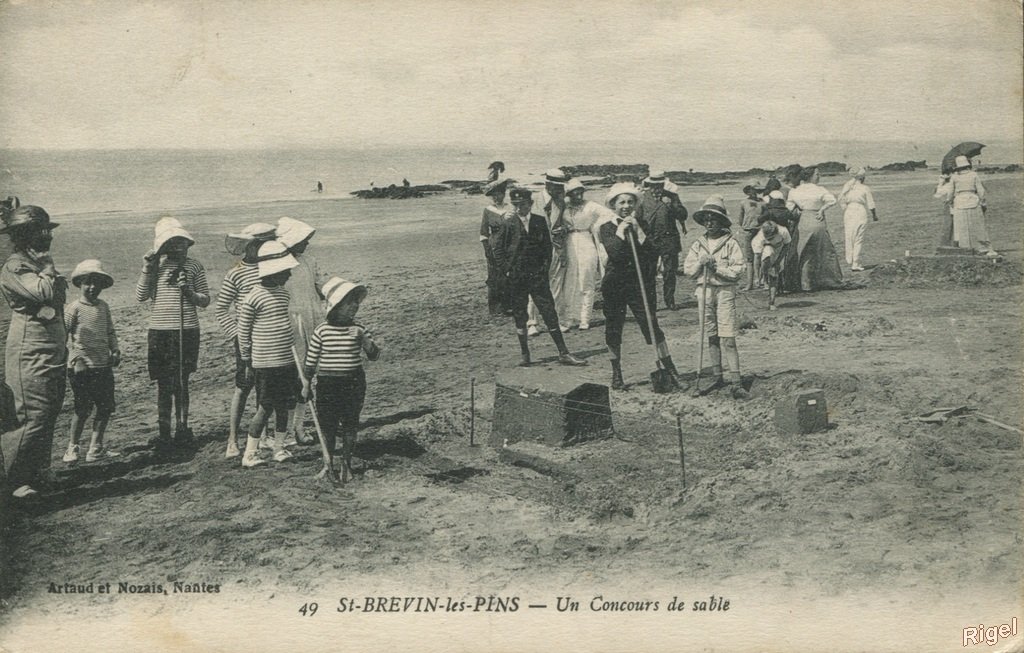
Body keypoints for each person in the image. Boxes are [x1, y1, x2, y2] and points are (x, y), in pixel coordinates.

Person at [0, 205, 67, 500]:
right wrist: (49, 269)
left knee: (49, 411)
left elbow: (55, 298)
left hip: (50, 347)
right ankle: (15, 481)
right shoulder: (16, 266)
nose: (47, 237)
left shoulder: (33, 263)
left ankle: (38, 473)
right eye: (41, 231)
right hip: (30, 350)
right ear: (23, 235)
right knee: (32, 415)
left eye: (47, 231)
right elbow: (43, 293)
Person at [136, 217, 210, 451]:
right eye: (172, 242)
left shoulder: (194, 266)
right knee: (163, 384)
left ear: (188, 244)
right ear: (164, 245)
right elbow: (141, 296)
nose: (178, 247)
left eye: (182, 242)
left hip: (186, 329)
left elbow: (205, 300)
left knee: (182, 382)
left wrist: (187, 290)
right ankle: (164, 432)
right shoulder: (156, 266)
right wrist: (148, 268)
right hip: (160, 331)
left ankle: (182, 428)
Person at [598, 183, 680, 390]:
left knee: (651, 324)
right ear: (614, 205)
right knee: (614, 328)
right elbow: (615, 254)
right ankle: (617, 373)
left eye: (630, 202)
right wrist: (620, 232)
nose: (626, 206)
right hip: (615, 284)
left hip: (638, 284)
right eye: (622, 202)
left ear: (635, 204)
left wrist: (638, 232)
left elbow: (653, 253)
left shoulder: (641, 224)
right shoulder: (606, 228)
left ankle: (669, 367)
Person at [492, 187, 587, 368]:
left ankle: (563, 352)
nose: (521, 208)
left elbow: (547, 248)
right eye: (517, 205)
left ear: (531, 204)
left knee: (549, 312)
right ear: (513, 205)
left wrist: (543, 269)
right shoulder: (507, 223)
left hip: (537, 277)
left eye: (524, 204)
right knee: (520, 315)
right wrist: (506, 270)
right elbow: (497, 248)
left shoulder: (539, 221)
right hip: (516, 278)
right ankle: (525, 354)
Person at [302, 277, 381, 481]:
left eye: (356, 302)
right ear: (335, 306)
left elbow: (373, 356)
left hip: (353, 383)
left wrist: (368, 343)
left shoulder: (359, 329)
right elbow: (310, 362)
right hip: (328, 384)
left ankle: (346, 464)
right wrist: (306, 384)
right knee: (327, 426)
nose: (355, 306)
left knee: (349, 425)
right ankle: (327, 463)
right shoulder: (322, 331)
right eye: (349, 302)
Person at [215, 222, 278, 458]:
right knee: (243, 386)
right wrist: (238, 335)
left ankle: (263, 436)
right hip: (245, 338)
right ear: (249, 246)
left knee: (266, 388)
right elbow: (221, 310)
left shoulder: (271, 268)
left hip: (268, 337)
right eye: (260, 244)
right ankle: (232, 440)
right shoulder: (236, 273)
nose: (263, 248)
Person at [237, 240, 301, 468]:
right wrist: (246, 359)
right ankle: (250, 453)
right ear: (274, 271)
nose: (289, 276)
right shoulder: (253, 296)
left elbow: (284, 322)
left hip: (285, 359)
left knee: (285, 404)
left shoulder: (283, 295)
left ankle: (279, 448)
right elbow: (243, 331)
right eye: (286, 271)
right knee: (265, 407)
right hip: (266, 362)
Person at [683, 196, 748, 399]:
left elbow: (738, 270)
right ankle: (717, 376)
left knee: (727, 336)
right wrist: (700, 264)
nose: (710, 223)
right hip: (704, 291)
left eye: (714, 219)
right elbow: (688, 271)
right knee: (710, 335)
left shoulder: (731, 243)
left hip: (725, 291)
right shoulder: (698, 244)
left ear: (722, 221)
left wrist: (716, 267)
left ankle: (736, 381)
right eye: (707, 219)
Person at [63, 260, 121, 464]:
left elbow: (110, 331)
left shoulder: (103, 307)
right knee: (82, 408)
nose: (92, 287)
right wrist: (75, 359)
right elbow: (63, 336)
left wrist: (115, 349)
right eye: (88, 282)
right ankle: (73, 447)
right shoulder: (73, 308)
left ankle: (95, 447)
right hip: (81, 368)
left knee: (105, 407)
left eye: (97, 283)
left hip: (103, 366)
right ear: (79, 284)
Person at [277, 217, 325, 446]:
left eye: (307, 240)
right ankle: (284, 430)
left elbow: (320, 287)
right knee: (291, 377)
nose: (306, 243)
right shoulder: (278, 264)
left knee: (308, 373)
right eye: (302, 240)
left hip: (311, 320)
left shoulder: (310, 260)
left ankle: (299, 425)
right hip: (290, 323)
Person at [554, 178, 615, 331]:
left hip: (586, 242)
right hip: (569, 243)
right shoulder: (564, 206)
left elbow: (609, 214)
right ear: (569, 194)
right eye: (575, 194)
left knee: (586, 280)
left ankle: (585, 319)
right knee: (569, 282)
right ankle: (567, 320)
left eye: (580, 193)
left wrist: (594, 226)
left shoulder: (591, 206)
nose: (579, 197)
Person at [526, 168, 570, 336]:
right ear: (548, 184)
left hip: (557, 248)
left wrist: (563, 229)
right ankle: (532, 322)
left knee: (557, 286)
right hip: (537, 251)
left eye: (562, 187)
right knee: (535, 287)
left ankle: (557, 320)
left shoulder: (561, 201)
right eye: (558, 187)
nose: (561, 190)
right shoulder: (533, 200)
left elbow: (564, 222)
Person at [786, 166, 843, 291]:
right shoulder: (820, 189)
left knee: (803, 252)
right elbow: (832, 200)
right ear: (810, 176)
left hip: (803, 221)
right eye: (817, 174)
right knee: (824, 250)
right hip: (818, 219)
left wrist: (798, 213)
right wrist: (822, 209)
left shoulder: (795, 191)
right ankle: (827, 280)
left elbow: (789, 208)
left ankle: (804, 283)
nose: (819, 176)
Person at [638, 171, 688, 309]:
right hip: (649, 241)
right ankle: (651, 303)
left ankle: (669, 300)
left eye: (659, 185)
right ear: (649, 185)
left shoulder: (672, 196)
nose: (656, 188)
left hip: (669, 239)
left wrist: (671, 205)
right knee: (649, 273)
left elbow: (683, 215)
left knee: (670, 272)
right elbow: (637, 219)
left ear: (663, 184)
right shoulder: (642, 198)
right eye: (653, 185)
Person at [937, 156, 996, 256]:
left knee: (962, 228)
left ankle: (965, 248)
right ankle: (982, 248)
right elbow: (980, 190)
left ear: (957, 166)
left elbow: (951, 192)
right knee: (978, 226)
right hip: (973, 200)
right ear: (967, 165)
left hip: (959, 202)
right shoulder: (974, 175)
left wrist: (949, 201)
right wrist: (983, 201)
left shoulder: (954, 177)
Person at [479, 177, 512, 317]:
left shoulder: (510, 208)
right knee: (494, 276)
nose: (496, 197)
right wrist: (487, 249)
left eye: (499, 194)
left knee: (508, 274)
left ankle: (509, 305)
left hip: (510, 245)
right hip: (494, 246)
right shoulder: (488, 210)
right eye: (494, 195)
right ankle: (495, 307)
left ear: (503, 194)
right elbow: (484, 232)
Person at [837, 167, 878, 271]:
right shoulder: (864, 188)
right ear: (862, 177)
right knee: (858, 238)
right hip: (860, 211)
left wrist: (845, 208)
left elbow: (840, 199)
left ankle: (851, 261)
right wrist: (874, 215)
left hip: (849, 211)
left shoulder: (848, 186)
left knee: (849, 235)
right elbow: (871, 203)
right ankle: (855, 263)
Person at [751, 218, 791, 311]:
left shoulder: (783, 231)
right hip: (766, 252)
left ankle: (772, 302)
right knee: (768, 253)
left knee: (774, 275)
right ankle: (764, 278)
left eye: (772, 237)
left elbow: (787, 246)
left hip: (779, 251)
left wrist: (777, 262)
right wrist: (756, 277)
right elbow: (756, 259)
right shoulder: (759, 239)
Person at [736, 185, 765, 290]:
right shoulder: (743, 202)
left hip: (760, 231)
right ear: (748, 191)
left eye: (756, 190)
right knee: (749, 258)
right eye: (751, 190)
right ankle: (749, 284)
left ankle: (761, 281)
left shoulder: (763, 202)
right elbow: (740, 218)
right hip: (748, 231)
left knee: (761, 256)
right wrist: (745, 227)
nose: (753, 192)